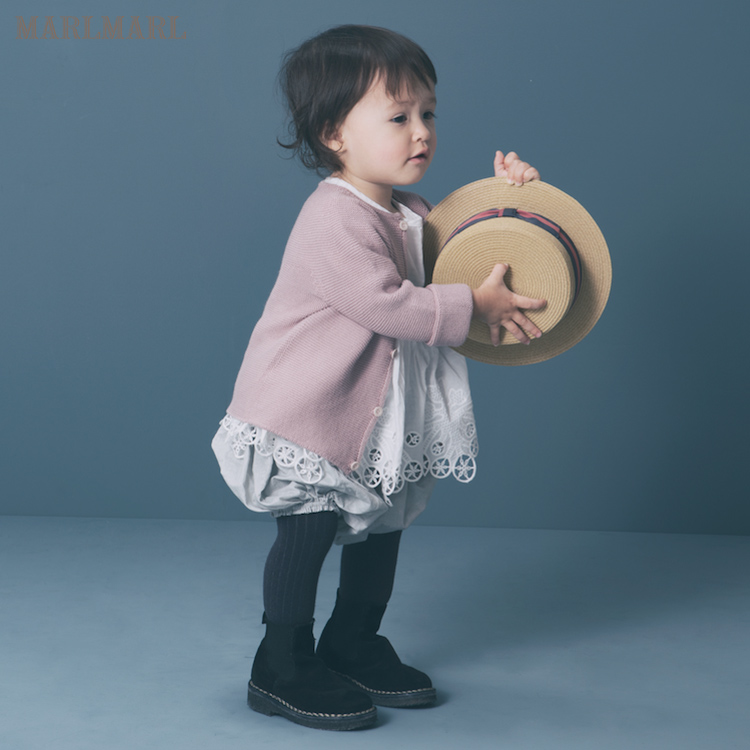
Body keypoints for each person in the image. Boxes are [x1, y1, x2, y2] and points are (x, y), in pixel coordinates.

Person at [211, 24, 545, 731]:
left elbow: (460, 253)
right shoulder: (333, 216)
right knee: (311, 525)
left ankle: (353, 639)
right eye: (398, 117)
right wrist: (472, 305)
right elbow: (385, 303)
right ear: (334, 133)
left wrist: (511, 199)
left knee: (384, 524)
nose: (421, 131)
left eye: (428, 113)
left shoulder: (407, 211)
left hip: (377, 410)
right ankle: (281, 661)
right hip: (312, 407)